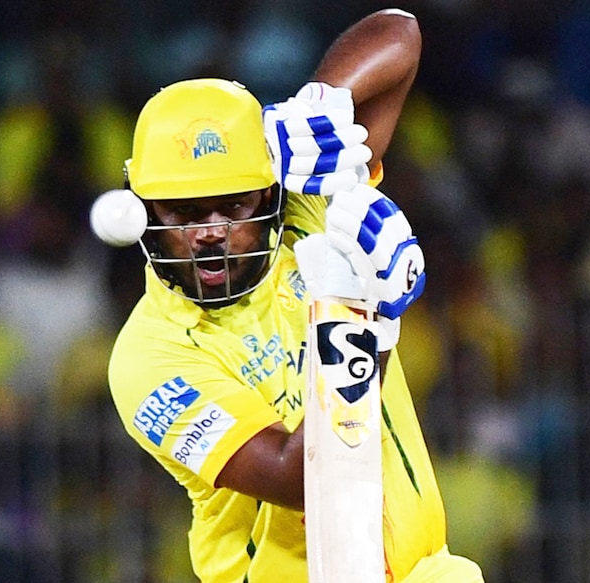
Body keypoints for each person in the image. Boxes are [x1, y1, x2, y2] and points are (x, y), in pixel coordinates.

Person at [104, 9, 484, 582]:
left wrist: (319, 107)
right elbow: (299, 477)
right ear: (143, 212)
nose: (210, 232)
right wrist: (369, 322)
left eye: (233, 206)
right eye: (182, 212)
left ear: (269, 195)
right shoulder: (148, 358)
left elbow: (400, 33)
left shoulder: (308, 208)